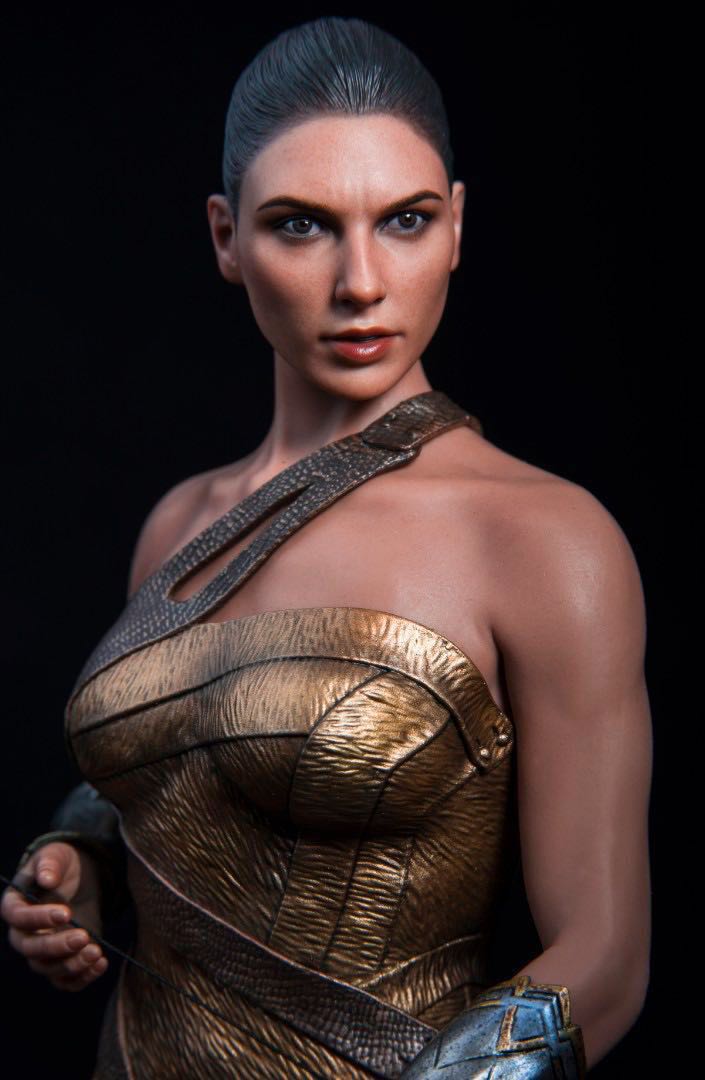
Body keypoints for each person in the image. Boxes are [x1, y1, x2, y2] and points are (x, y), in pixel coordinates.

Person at [1, 16, 651, 1078]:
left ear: (456, 227)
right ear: (226, 238)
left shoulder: (543, 540)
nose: (360, 282)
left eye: (405, 220)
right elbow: (183, 773)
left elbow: (607, 960)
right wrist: (83, 860)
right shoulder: (180, 525)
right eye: (300, 226)